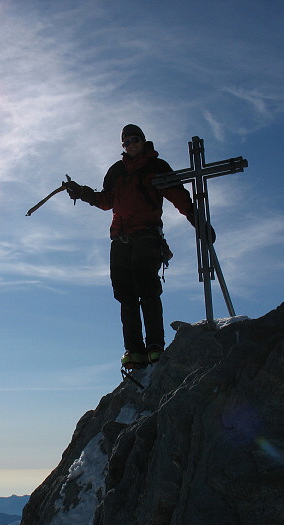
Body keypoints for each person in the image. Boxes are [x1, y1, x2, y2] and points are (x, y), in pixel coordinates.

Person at [65, 124, 197, 370]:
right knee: (125, 295)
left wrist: (196, 219)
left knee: (147, 290)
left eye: (134, 140)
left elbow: (178, 195)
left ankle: (155, 346)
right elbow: (106, 201)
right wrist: (81, 192)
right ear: (122, 145)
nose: (130, 145)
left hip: (146, 236)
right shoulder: (116, 171)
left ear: (143, 141)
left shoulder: (157, 167)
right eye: (126, 142)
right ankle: (134, 351)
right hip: (120, 240)